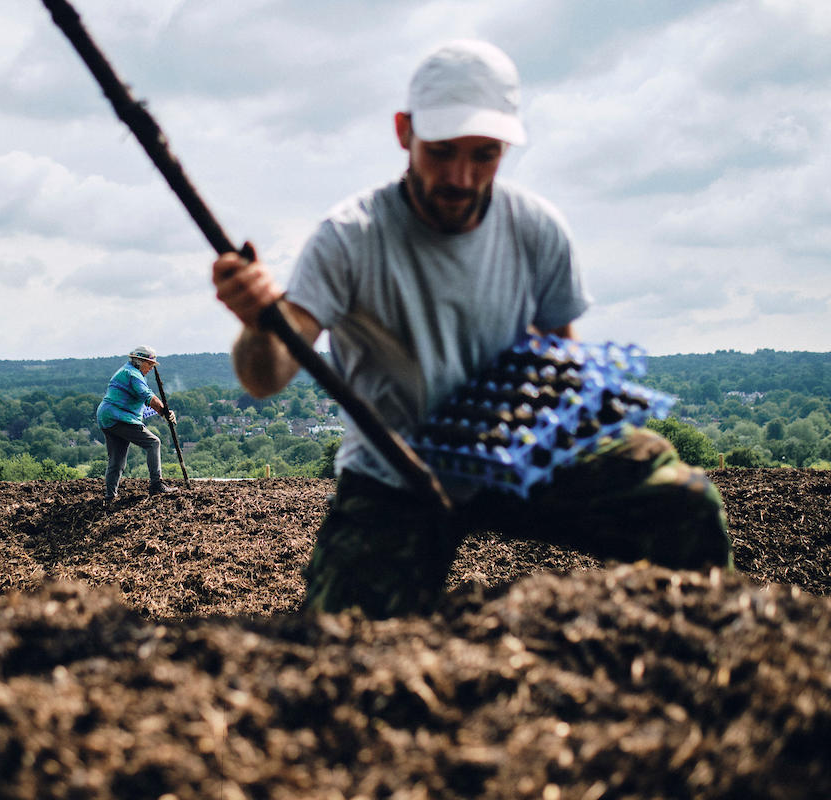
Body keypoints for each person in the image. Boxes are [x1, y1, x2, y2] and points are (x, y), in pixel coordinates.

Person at [212, 39, 732, 618]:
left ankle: (700, 673)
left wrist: (582, 424)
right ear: (403, 131)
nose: (461, 177)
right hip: (394, 475)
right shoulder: (349, 238)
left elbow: (563, 354)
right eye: (441, 152)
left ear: (507, 146)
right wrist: (260, 321)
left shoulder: (535, 228)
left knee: (683, 507)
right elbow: (265, 376)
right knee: (341, 631)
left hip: (516, 449)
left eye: (484, 155)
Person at [96, 346, 178, 503]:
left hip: (107, 418)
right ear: (139, 361)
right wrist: (165, 413)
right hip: (119, 417)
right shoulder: (133, 375)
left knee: (117, 460)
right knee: (153, 443)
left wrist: (163, 412)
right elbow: (148, 397)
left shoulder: (128, 372)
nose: (150, 368)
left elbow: (143, 404)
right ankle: (156, 483)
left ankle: (110, 496)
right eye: (149, 364)